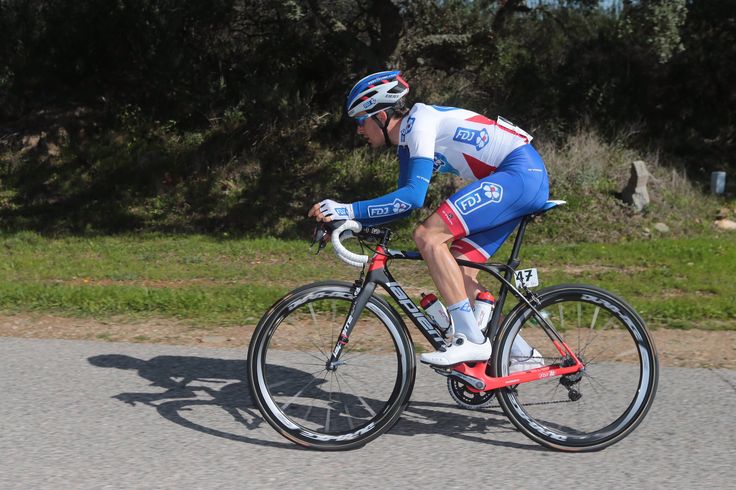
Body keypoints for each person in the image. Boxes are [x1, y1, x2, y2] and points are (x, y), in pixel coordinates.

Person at [308, 70, 546, 368]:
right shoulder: (408, 142)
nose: (359, 130)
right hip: (516, 180)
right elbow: (400, 204)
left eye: (360, 121)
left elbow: (412, 199)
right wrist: (353, 223)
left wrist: (346, 209)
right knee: (457, 271)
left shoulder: (419, 121)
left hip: (519, 174)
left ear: (381, 116)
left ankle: (470, 339)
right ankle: (522, 355)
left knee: (428, 237)